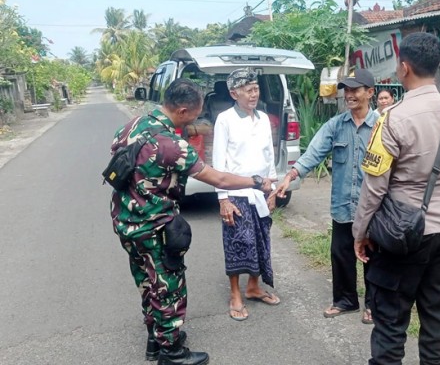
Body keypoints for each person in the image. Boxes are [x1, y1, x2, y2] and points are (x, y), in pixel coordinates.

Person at [109, 78, 275, 365]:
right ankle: (171, 353)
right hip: (154, 227)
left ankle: (155, 340)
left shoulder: (129, 127)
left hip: (125, 223)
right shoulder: (172, 145)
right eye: (195, 114)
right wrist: (257, 181)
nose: (197, 119)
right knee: (168, 286)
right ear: (183, 110)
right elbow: (219, 178)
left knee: (146, 283)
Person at [352, 32, 440, 364]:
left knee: (391, 322)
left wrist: (360, 233)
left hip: (401, 235)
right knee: (438, 321)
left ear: (404, 67)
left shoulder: (392, 119)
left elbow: (375, 187)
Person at [277, 68, 379, 325]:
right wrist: (291, 175)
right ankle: (346, 300)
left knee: (374, 257)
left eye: (356, 90)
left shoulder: (383, 125)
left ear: (370, 92)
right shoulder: (335, 125)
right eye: (347, 90)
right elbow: (313, 153)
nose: (350, 95)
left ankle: (374, 305)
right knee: (341, 253)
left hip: (374, 207)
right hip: (344, 204)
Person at [212, 68, 280, 322]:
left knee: (261, 240)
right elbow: (219, 161)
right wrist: (223, 199)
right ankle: (235, 294)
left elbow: (268, 156)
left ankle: (253, 287)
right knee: (238, 243)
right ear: (234, 93)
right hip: (236, 192)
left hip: (260, 191)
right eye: (248, 90)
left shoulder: (262, 118)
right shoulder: (225, 119)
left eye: (256, 89)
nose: (254, 94)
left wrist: (271, 190)